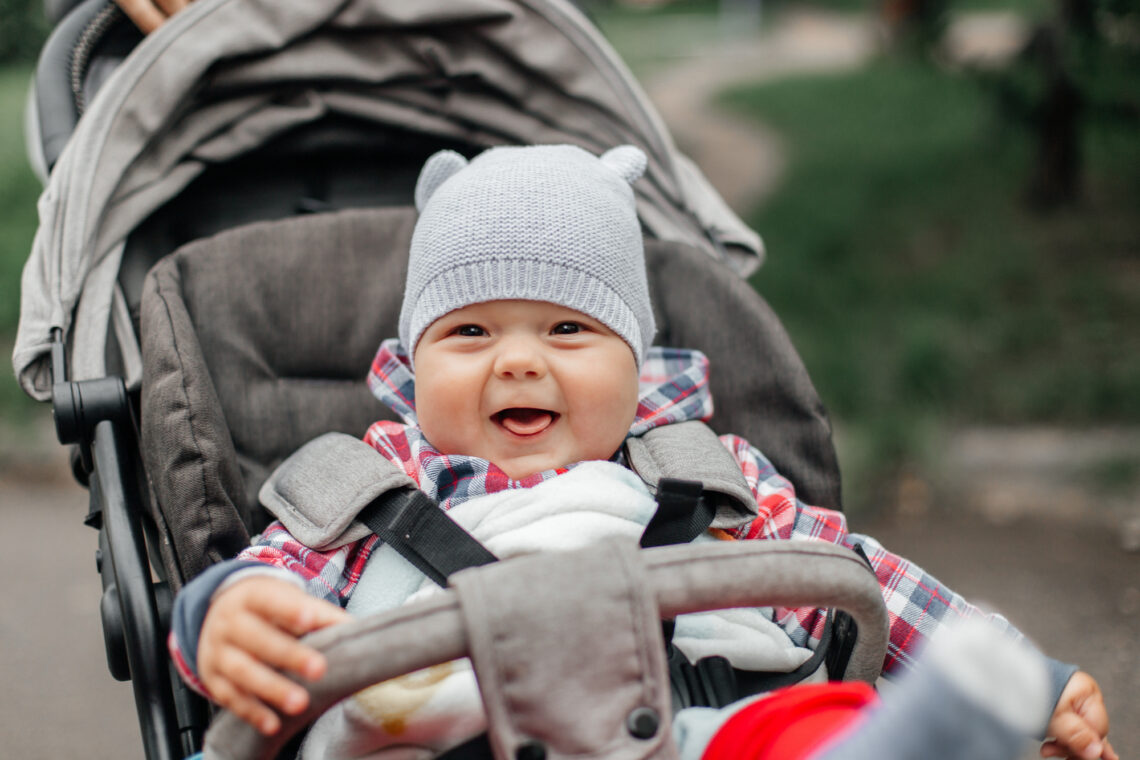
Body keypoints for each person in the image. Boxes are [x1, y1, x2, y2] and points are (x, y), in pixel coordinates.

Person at [168, 144, 1115, 760]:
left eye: (569, 330)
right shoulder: (369, 480)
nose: (519, 362)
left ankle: (931, 728)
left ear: (637, 362)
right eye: (469, 335)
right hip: (453, 736)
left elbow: (852, 575)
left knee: (812, 727)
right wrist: (231, 614)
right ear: (412, 363)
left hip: (706, 726)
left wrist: (1025, 675)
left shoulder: (704, 474)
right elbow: (268, 579)